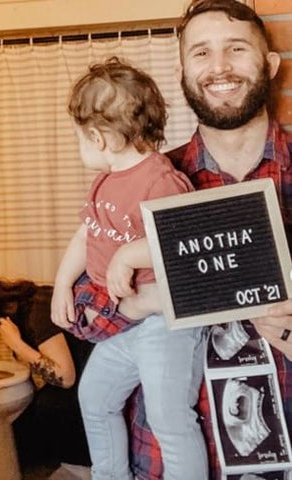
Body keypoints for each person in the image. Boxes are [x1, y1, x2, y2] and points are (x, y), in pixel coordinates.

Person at [127, 1, 292, 479]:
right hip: (174, 459)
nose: (218, 67)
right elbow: (84, 313)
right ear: (181, 72)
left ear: (270, 64)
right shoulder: (147, 181)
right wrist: (143, 299)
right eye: (201, 53)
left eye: (236, 49)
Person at [51, 57, 208, 480]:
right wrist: (62, 284)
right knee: (94, 398)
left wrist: (128, 256)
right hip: (120, 323)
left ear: (100, 137)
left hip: (164, 326)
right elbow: (87, 235)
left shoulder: (161, 180)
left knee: (169, 418)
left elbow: (184, 240)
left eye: (79, 137)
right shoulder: (104, 182)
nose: (79, 145)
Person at [0, 271, 94, 469]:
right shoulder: (23, 306)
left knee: (37, 421)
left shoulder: (36, 312)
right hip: (85, 377)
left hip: (89, 385)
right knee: (20, 434)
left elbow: (66, 377)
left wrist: (18, 345)